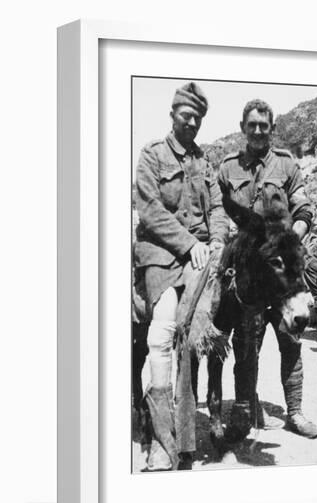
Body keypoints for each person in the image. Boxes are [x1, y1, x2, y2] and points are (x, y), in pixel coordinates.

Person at [133, 82, 229, 471]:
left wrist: (218, 241)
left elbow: (218, 208)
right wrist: (190, 244)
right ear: (173, 114)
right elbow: (150, 210)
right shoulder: (152, 155)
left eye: (197, 118)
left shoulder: (205, 163)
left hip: (200, 258)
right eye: (185, 115)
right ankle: (160, 442)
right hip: (161, 254)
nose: (191, 122)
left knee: (194, 336)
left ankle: (185, 440)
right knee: (161, 333)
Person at [217, 99, 317, 439]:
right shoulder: (228, 167)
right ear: (243, 127)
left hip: (284, 273)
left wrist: (290, 238)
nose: (258, 130)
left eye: (264, 125)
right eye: (252, 125)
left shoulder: (287, 165)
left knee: (291, 340)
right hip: (248, 277)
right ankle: (243, 413)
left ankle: (295, 412)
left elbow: (304, 209)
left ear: (271, 128)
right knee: (246, 345)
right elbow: (220, 215)